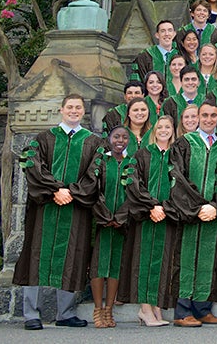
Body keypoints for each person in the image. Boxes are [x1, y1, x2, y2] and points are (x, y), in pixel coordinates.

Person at [14, 94, 102, 330]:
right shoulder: (43, 139)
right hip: (45, 208)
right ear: (61, 110)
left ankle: (66, 313)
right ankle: (31, 314)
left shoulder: (93, 142)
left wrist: (71, 192)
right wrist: (55, 190)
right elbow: (31, 163)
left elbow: (95, 172)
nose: (74, 111)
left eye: (78, 108)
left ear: (83, 112)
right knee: (35, 255)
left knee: (73, 256)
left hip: (75, 208)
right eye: (70, 107)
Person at [168, 103, 217, 327]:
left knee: (208, 260)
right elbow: (177, 178)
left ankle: (202, 309)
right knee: (185, 259)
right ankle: (182, 312)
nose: (209, 119)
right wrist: (198, 207)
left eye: (213, 115)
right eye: (205, 115)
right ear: (197, 117)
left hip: (214, 212)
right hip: (191, 212)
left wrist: (215, 206)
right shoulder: (184, 144)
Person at [119, 115, 177, 327]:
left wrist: (166, 208)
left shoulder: (176, 156)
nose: (163, 130)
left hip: (168, 216)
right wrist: (152, 206)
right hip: (146, 216)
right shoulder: (142, 154)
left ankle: (157, 305)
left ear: (173, 130)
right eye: (160, 127)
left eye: (168, 127)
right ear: (154, 130)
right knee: (144, 262)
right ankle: (145, 309)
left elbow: (181, 187)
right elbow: (133, 184)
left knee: (162, 263)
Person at [90, 125, 131, 327]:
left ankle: (109, 310)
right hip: (102, 222)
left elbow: (134, 193)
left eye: (124, 137)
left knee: (115, 265)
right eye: (116, 136)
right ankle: (98, 309)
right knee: (99, 264)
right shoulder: (101, 161)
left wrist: (120, 216)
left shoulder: (131, 163)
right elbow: (93, 189)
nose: (120, 140)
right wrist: (105, 216)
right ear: (109, 138)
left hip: (121, 223)